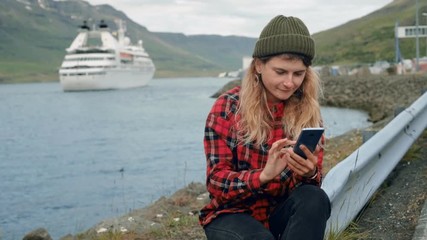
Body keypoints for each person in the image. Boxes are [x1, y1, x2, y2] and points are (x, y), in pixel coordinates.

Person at [199, 15, 331, 240]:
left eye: (298, 74)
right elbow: (216, 183)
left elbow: (310, 185)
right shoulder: (227, 107)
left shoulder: (308, 111)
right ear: (259, 65)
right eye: (280, 72)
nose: (290, 83)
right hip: (231, 213)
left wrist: (310, 172)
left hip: (279, 211)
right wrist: (263, 176)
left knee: (315, 198)